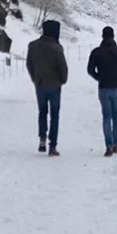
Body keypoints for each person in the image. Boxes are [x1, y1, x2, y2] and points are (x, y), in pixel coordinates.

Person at [86, 26, 117, 156]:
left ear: (102, 36)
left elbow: (90, 70)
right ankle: (116, 142)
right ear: (113, 36)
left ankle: (109, 145)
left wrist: (99, 78)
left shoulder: (96, 52)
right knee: (116, 116)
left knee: (106, 116)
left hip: (103, 87)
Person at [26, 19, 68, 156]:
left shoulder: (33, 46)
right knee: (54, 115)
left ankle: (42, 138)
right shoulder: (56, 48)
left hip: (40, 84)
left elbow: (29, 64)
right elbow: (63, 67)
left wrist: (35, 78)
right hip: (55, 85)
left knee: (42, 112)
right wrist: (63, 80)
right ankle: (53, 145)